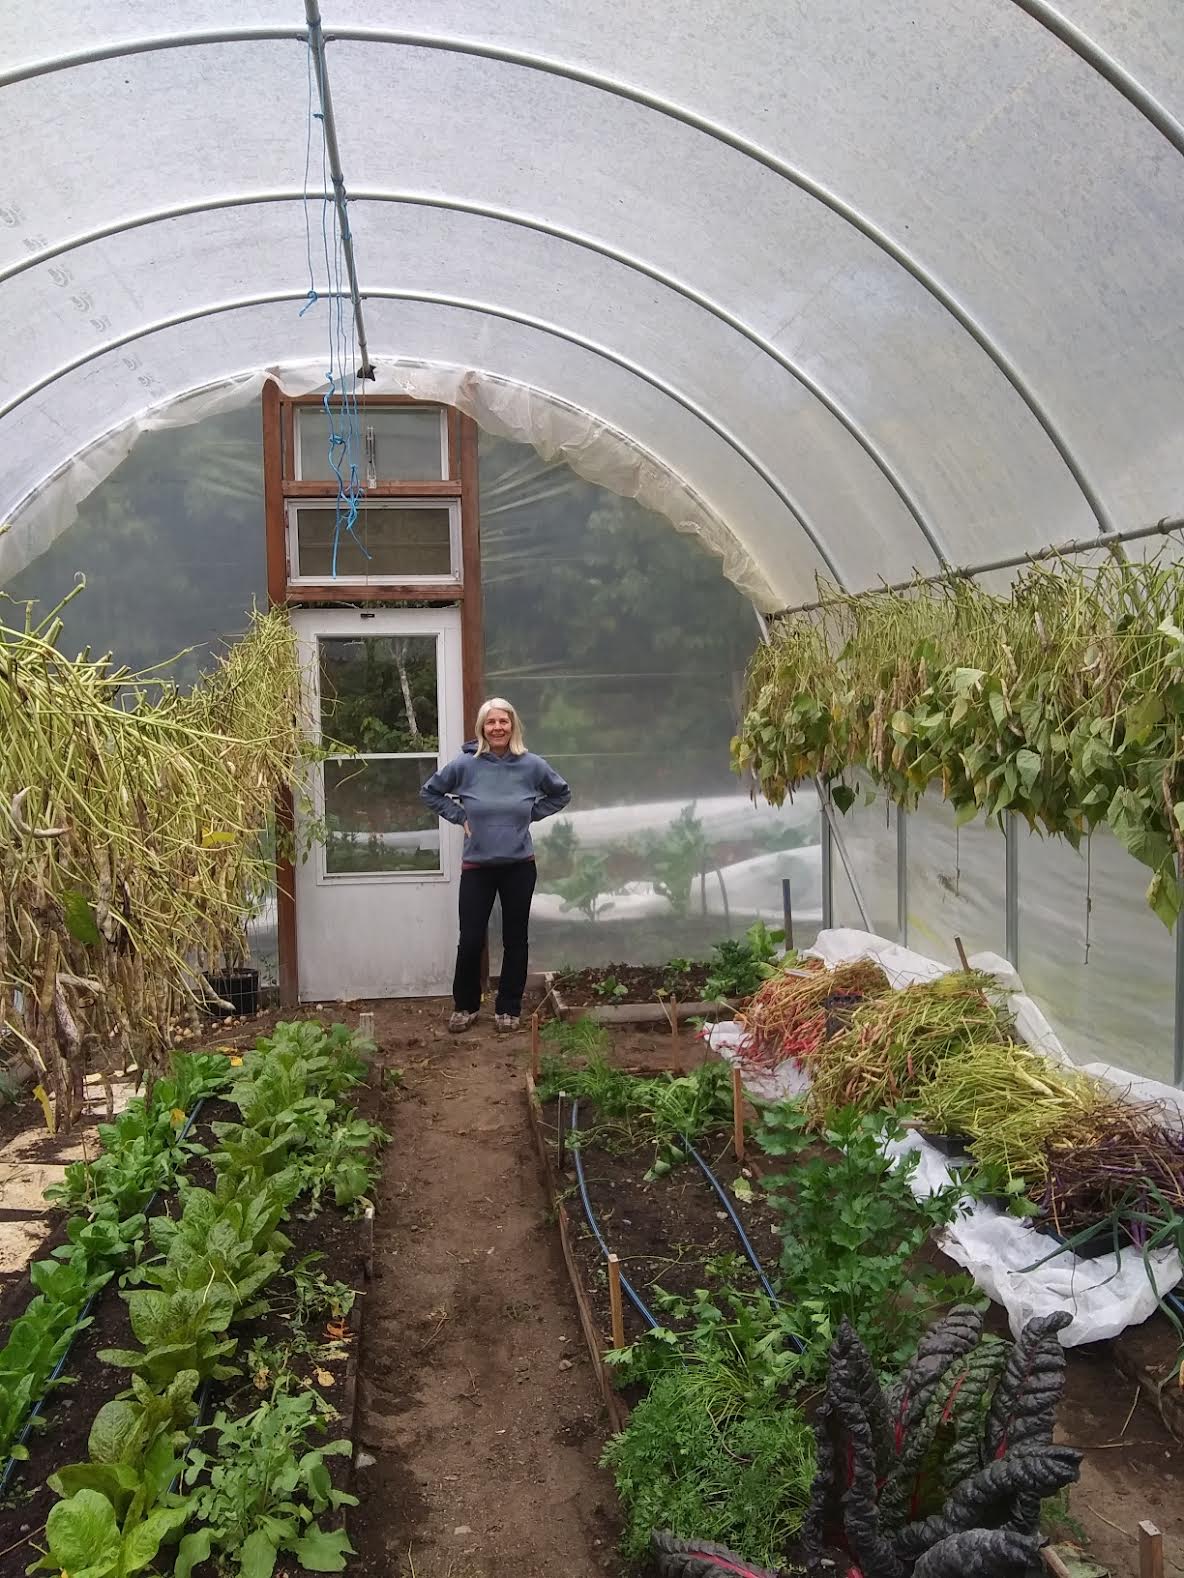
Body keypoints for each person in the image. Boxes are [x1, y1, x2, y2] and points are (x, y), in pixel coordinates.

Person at [420, 697, 571, 1033]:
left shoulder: (531, 765)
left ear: (513, 725)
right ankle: (466, 1005)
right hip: (478, 866)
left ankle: (508, 1008)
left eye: (504, 722)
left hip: (519, 865)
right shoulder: (465, 765)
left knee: (515, 938)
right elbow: (430, 792)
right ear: (482, 728)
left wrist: (531, 814)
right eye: (491, 722)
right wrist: (460, 816)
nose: (498, 727)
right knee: (471, 938)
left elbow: (561, 793)